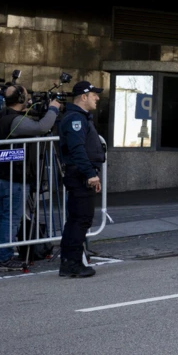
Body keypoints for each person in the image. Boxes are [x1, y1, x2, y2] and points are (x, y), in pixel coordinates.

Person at [0, 84, 60, 270]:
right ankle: (5, 258)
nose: (29, 99)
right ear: (20, 100)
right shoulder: (16, 121)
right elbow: (42, 127)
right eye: (26, 96)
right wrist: (53, 109)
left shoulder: (1, 116)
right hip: (14, 178)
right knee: (10, 219)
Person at [58, 81, 105, 279]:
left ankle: (69, 262)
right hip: (80, 174)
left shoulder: (79, 117)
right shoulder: (75, 119)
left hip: (80, 173)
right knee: (81, 220)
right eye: (94, 94)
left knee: (76, 220)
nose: (98, 98)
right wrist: (90, 174)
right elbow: (77, 149)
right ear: (83, 97)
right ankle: (74, 264)